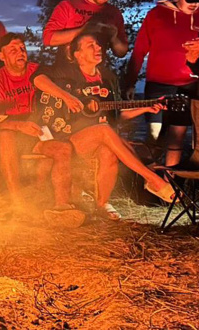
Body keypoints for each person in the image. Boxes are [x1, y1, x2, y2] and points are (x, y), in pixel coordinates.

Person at [31, 30, 175, 220]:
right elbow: (38, 79)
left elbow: (117, 117)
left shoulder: (107, 81)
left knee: (109, 148)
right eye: (91, 45)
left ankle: (101, 205)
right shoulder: (67, 72)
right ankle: (150, 177)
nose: (98, 48)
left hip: (91, 140)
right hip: (61, 137)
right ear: (77, 54)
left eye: (98, 45)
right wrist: (67, 97)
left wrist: (146, 109)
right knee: (104, 131)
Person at [123, 0, 199, 166]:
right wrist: (130, 82)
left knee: (179, 138)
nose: (195, 4)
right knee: (154, 136)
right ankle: (147, 179)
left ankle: (172, 179)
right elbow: (139, 50)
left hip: (191, 86)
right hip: (158, 86)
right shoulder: (156, 14)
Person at [0, 33, 64, 200]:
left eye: (22, 49)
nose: (20, 53)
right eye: (13, 50)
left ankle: (40, 192)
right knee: (5, 136)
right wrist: (18, 125)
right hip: (12, 129)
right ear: (2, 56)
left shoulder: (38, 71)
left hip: (38, 127)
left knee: (54, 138)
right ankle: (16, 198)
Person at [42, 0, 128, 60]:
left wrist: (114, 38)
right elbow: (48, 39)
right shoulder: (68, 5)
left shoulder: (114, 13)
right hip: (67, 68)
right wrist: (82, 30)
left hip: (96, 69)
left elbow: (122, 52)